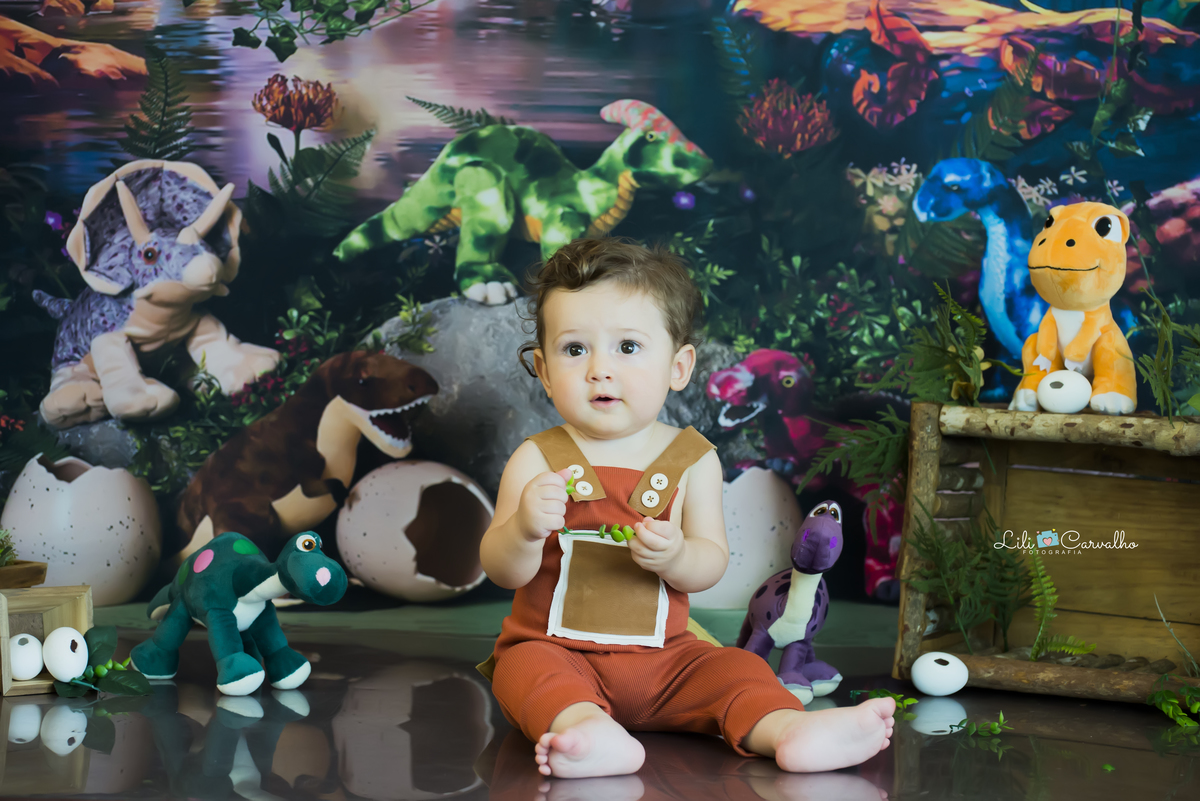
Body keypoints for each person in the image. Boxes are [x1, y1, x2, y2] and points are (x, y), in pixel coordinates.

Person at [477, 238, 894, 779]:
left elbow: (710, 563)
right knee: (521, 669)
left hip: (668, 662)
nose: (600, 370)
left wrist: (676, 555)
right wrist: (526, 530)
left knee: (734, 667)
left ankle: (788, 730)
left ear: (679, 366)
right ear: (544, 368)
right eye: (575, 349)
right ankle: (586, 730)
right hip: (557, 653)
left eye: (628, 348)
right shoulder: (536, 458)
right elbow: (500, 567)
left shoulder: (693, 460)